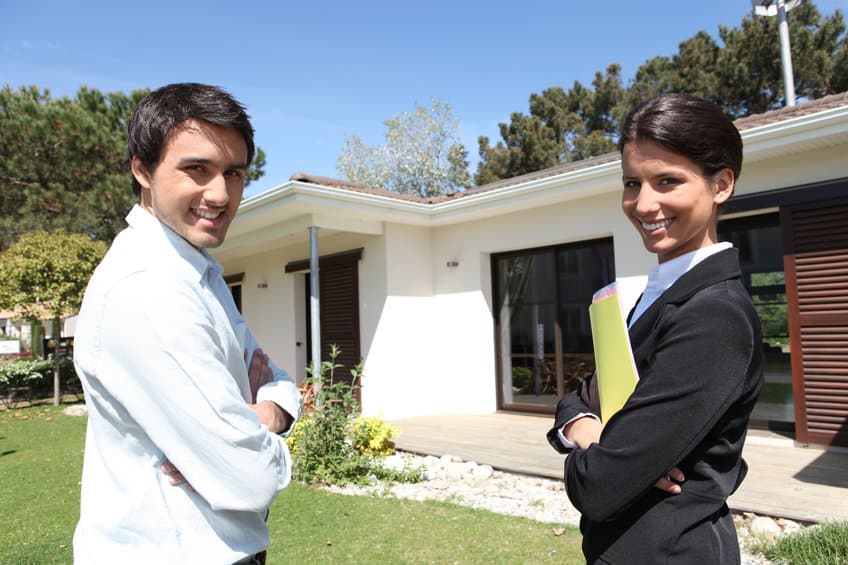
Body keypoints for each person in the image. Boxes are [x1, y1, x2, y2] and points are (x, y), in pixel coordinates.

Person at [73, 83, 301, 564]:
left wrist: (267, 415)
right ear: (142, 169)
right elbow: (250, 478)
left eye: (234, 173)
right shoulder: (149, 288)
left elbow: (277, 380)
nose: (220, 194)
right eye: (197, 169)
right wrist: (257, 447)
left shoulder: (198, 274)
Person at [547, 93, 763, 564]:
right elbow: (578, 399)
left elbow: (598, 486)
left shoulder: (714, 316)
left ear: (721, 184)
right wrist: (588, 428)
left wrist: (595, 442)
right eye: (632, 183)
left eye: (668, 181)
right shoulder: (655, 295)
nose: (644, 204)